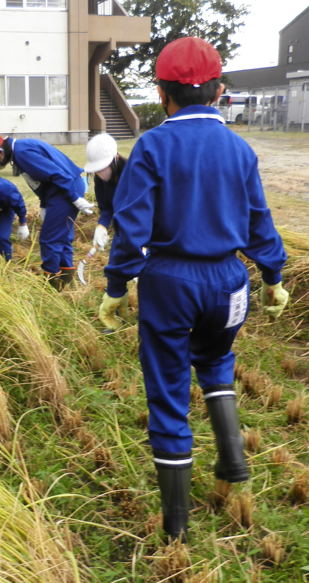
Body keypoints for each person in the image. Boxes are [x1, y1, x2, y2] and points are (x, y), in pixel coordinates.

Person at [98, 37, 289, 543]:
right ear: (219, 91)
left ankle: (176, 530)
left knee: (167, 391)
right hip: (230, 281)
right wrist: (273, 276)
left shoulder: (152, 146)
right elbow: (259, 221)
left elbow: (131, 227)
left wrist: (116, 285)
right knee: (216, 358)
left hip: (171, 282)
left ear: (162, 93)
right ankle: (232, 457)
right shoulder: (239, 148)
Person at [0, 133, 94, 290]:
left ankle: (52, 286)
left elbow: (57, 174)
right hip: (60, 190)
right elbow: (44, 181)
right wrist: (44, 204)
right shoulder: (19, 151)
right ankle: (66, 282)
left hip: (65, 189)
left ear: (0, 152)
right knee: (62, 237)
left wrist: (74, 198)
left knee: (49, 239)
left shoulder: (22, 153)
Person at [84, 133, 126, 252]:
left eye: (102, 168)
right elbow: (106, 208)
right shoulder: (100, 180)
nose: (99, 174)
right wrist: (102, 226)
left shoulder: (133, 175)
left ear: (116, 159)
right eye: (96, 170)